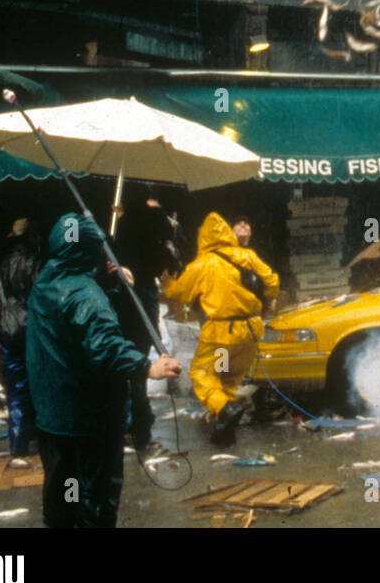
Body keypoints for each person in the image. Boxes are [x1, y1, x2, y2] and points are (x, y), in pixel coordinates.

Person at [25, 213, 181, 528]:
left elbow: (73, 324)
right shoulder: (86, 294)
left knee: (64, 499)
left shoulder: (45, 282)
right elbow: (104, 345)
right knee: (94, 504)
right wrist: (147, 367)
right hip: (89, 422)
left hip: (54, 418)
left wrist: (109, 285)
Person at [162, 212, 279, 446]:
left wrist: (167, 282)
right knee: (227, 378)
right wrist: (268, 301)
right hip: (250, 332)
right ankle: (224, 429)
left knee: (203, 375)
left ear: (203, 237)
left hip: (222, 335)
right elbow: (272, 281)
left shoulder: (203, 264)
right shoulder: (248, 256)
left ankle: (224, 409)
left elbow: (180, 293)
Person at [111, 197, 182, 455]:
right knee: (136, 374)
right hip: (139, 310)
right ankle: (141, 433)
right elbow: (167, 266)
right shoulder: (153, 231)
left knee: (125, 374)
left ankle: (129, 431)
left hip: (122, 311)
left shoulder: (119, 234)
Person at [0, 218, 41, 457]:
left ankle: (17, 445)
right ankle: (39, 440)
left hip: (9, 330)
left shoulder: (2, 262)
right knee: (38, 385)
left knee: (16, 389)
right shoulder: (33, 261)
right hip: (29, 329)